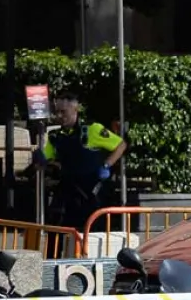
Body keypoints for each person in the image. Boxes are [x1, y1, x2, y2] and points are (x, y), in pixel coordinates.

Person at [34, 92, 127, 233]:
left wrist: (106, 165)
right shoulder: (56, 137)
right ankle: (56, 255)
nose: (59, 116)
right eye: (57, 112)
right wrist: (38, 158)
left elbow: (121, 145)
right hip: (69, 189)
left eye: (63, 112)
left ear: (75, 109)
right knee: (57, 228)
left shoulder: (92, 129)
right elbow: (44, 160)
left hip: (92, 191)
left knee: (92, 232)